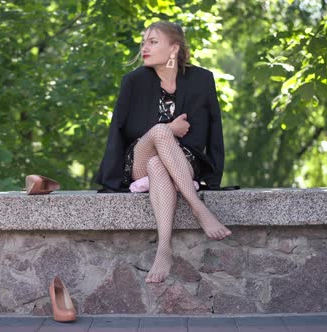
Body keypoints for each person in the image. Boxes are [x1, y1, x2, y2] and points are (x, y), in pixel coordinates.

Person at [96, 21, 232, 283]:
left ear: (174, 48)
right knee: (160, 132)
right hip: (139, 157)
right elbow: (121, 130)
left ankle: (164, 248)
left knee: (159, 165)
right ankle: (199, 209)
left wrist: (213, 177)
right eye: (143, 42)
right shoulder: (133, 81)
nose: (144, 47)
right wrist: (169, 128)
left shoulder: (202, 79)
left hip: (183, 158)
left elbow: (214, 130)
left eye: (153, 42)